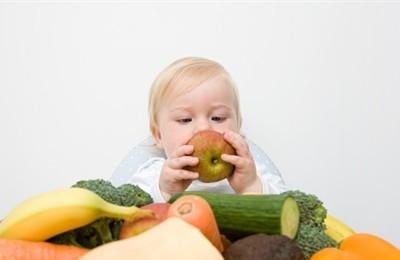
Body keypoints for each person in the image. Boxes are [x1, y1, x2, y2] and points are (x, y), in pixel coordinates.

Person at [110, 57, 288, 202]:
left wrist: (250, 186)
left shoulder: (252, 171)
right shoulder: (154, 175)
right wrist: (164, 191)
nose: (203, 128)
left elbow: (289, 211)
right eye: (185, 119)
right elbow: (130, 218)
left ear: (238, 128)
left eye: (218, 118)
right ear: (158, 135)